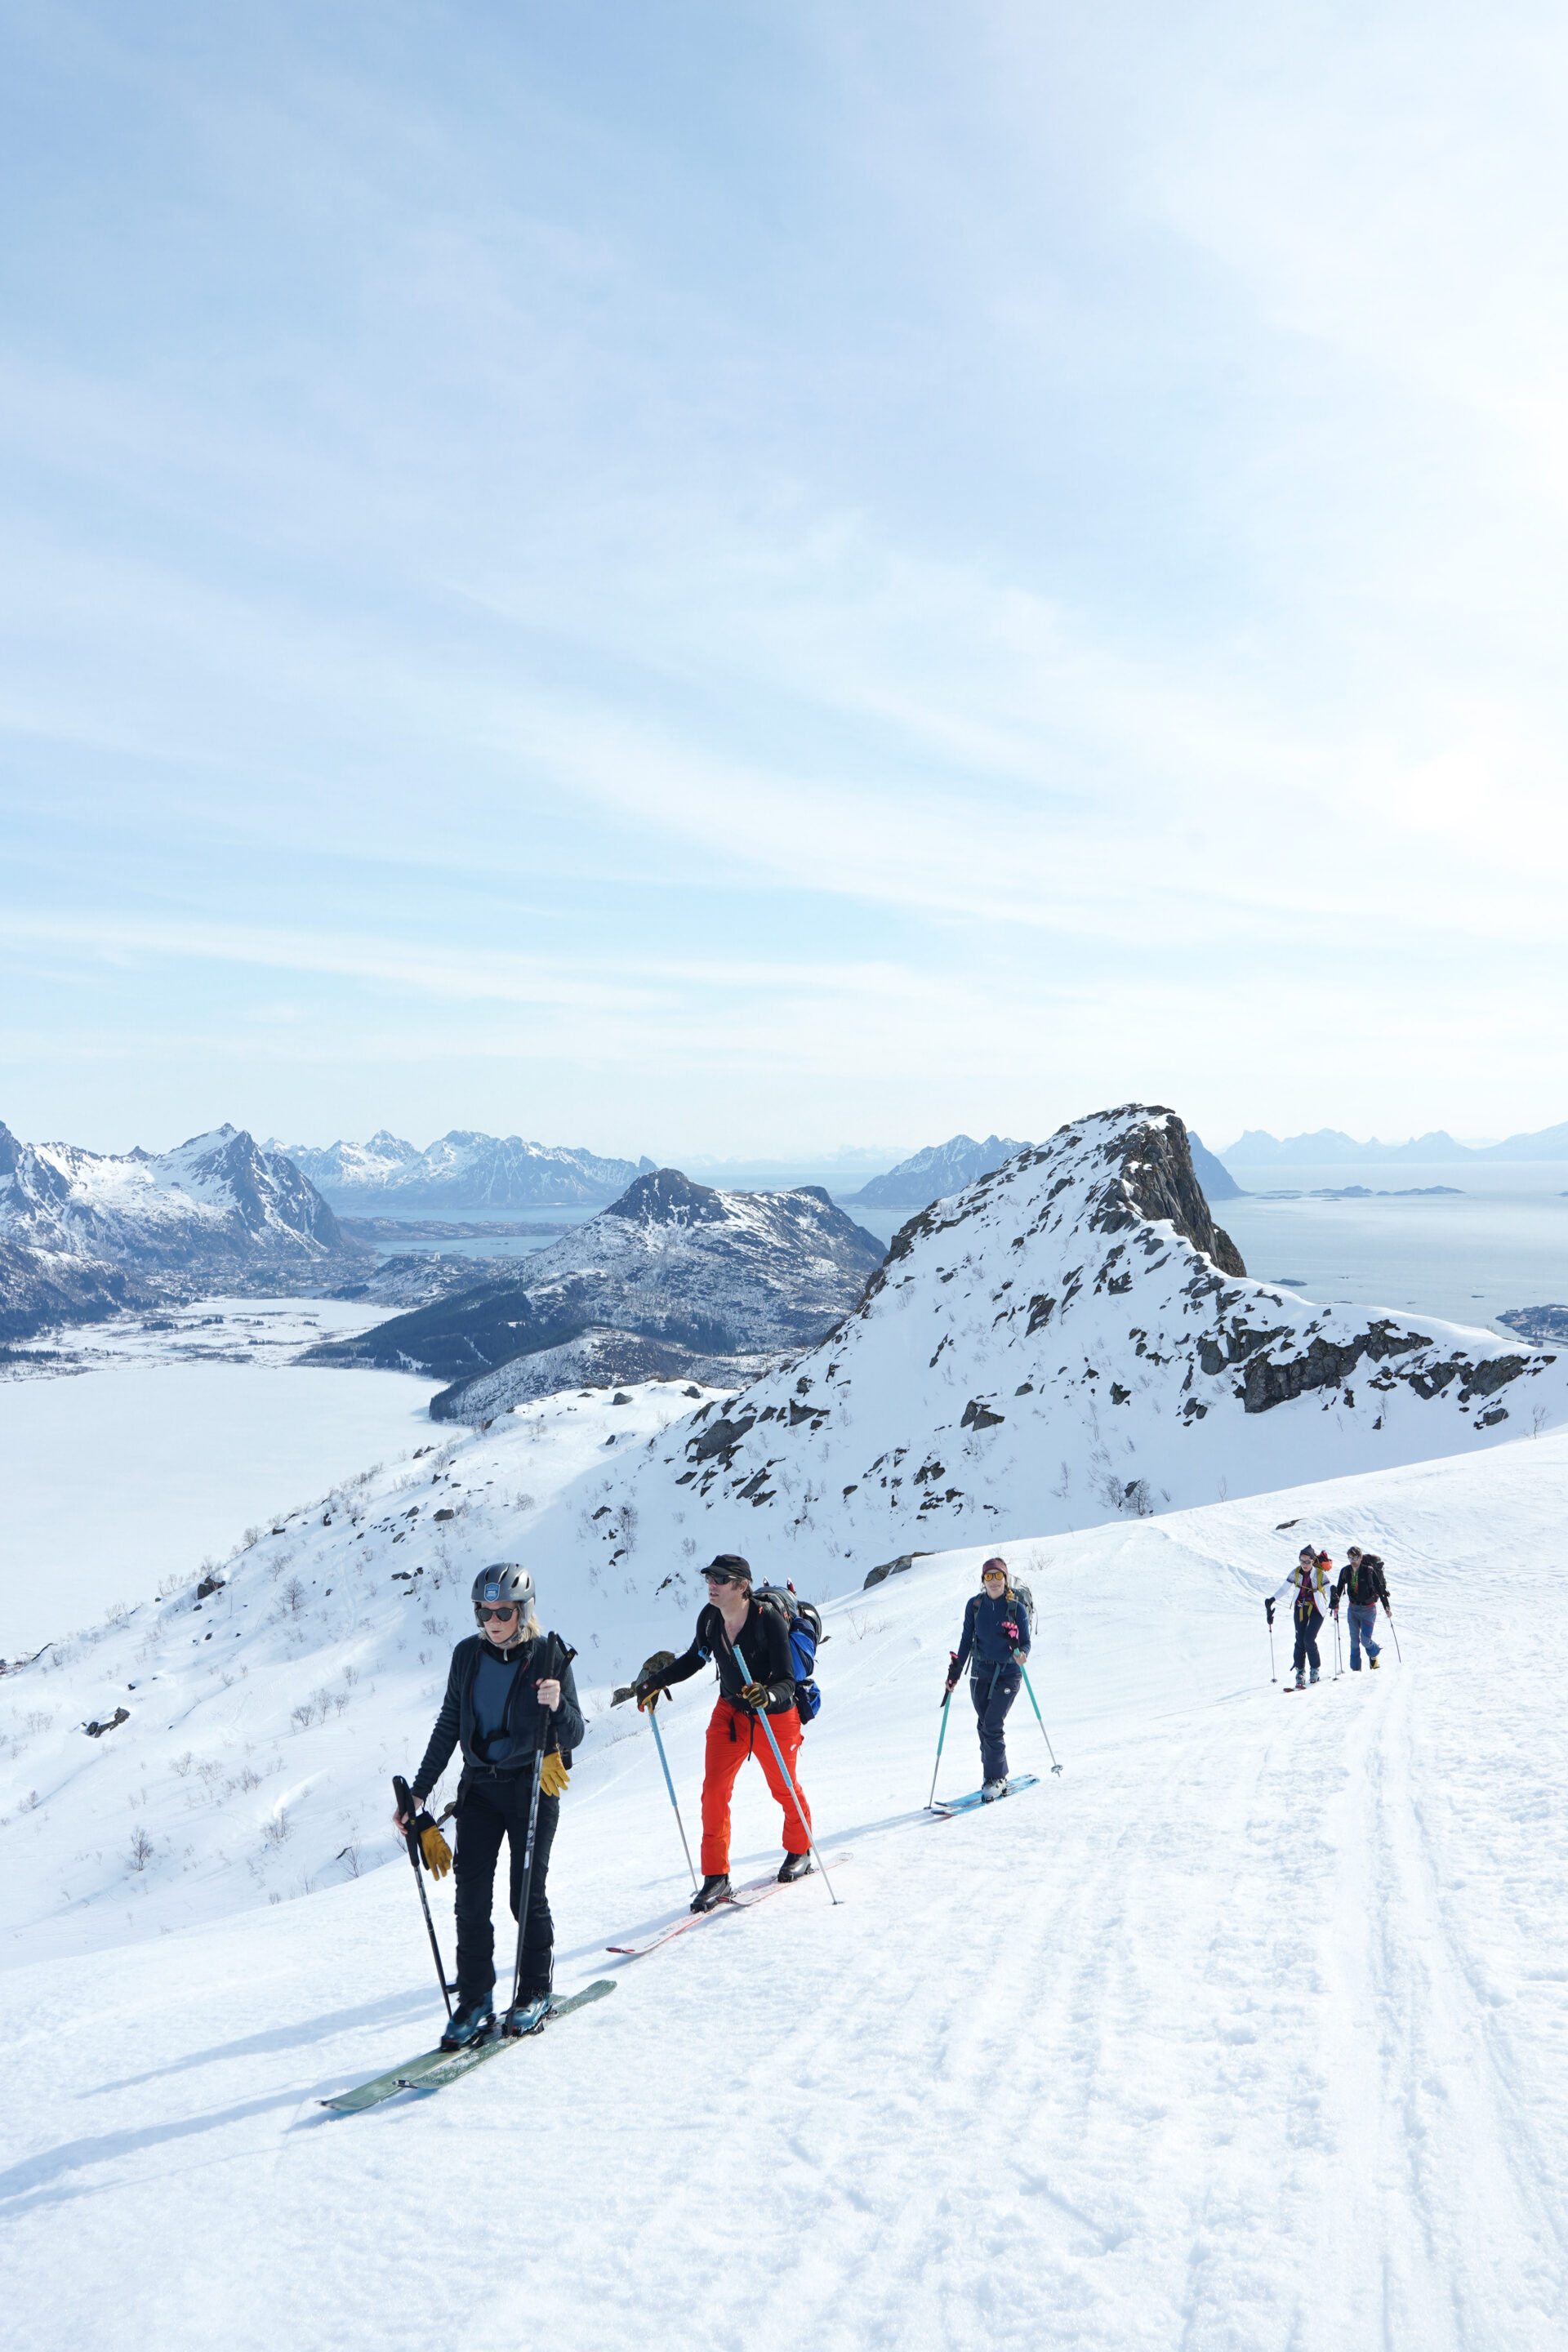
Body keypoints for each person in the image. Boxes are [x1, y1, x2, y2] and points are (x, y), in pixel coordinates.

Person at [394, 1562, 583, 2048]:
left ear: (524, 1611)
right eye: (484, 1610)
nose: (492, 1620)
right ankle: (477, 1998)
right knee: (470, 1898)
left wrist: (558, 1704)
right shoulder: (467, 1656)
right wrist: (418, 1793)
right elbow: (448, 1724)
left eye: (503, 1611)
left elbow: (576, 1732)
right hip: (479, 1789)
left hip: (532, 1788)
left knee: (525, 1891)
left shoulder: (549, 1657)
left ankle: (535, 1989)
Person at [628, 1552, 811, 1912]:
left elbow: (788, 1681)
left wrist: (768, 1695)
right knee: (713, 1792)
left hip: (773, 1714)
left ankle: (800, 1850)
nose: (712, 1585)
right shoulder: (710, 1618)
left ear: (742, 1586)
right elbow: (697, 1657)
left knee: (784, 1787)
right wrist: (657, 1680)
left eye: (720, 1580)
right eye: (709, 1578)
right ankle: (716, 1876)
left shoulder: (767, 1619)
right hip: (730, 1713)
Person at [944, 1557, 1030, 1800]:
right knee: (984, 1725)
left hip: (1008, 1674)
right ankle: (992, 1774)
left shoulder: (1016, 1609)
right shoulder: (975, 1606)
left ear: (1005, 1578)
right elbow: (965, 1641)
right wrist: (954, 1674)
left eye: (998, 1576)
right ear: (983, 1580)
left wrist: (1022, 1655)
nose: (994, 1581)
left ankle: (997, 1778)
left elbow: (1025, 1643)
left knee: (992, 1724)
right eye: (989, 1576)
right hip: (981, 1673)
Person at [1267, 1545, 1334, 1689]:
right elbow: (1285, 1587)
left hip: (1317, 1608)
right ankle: (1300, 1672)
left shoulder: (1319, 1574)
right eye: (1302, 1561)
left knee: (1309, 1639)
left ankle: (1315, 1669)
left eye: (1307, 1562)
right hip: (1300, 1607)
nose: (1305, 1565)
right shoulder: (1296, 1572)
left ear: (1312, 1560)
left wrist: (1333, 1598)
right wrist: (1272, 1599)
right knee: (1299, 1641)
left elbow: (1329, 1588)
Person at [1333, 1545, 1390, 1671]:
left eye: (1356, 1557)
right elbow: (1339, 1588)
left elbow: (1380, 1589)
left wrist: (1387, 1607)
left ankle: (1374, 1652)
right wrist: (1335, 1603)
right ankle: (1355, 1670)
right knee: (1354, 1641)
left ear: (1361, 1557)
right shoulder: (1345, 1571)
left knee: (1365, 1640)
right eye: (1350, 1558)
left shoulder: (1369, 1570)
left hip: (1368, 1610)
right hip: (1353, 1609)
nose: (1353, 1560)